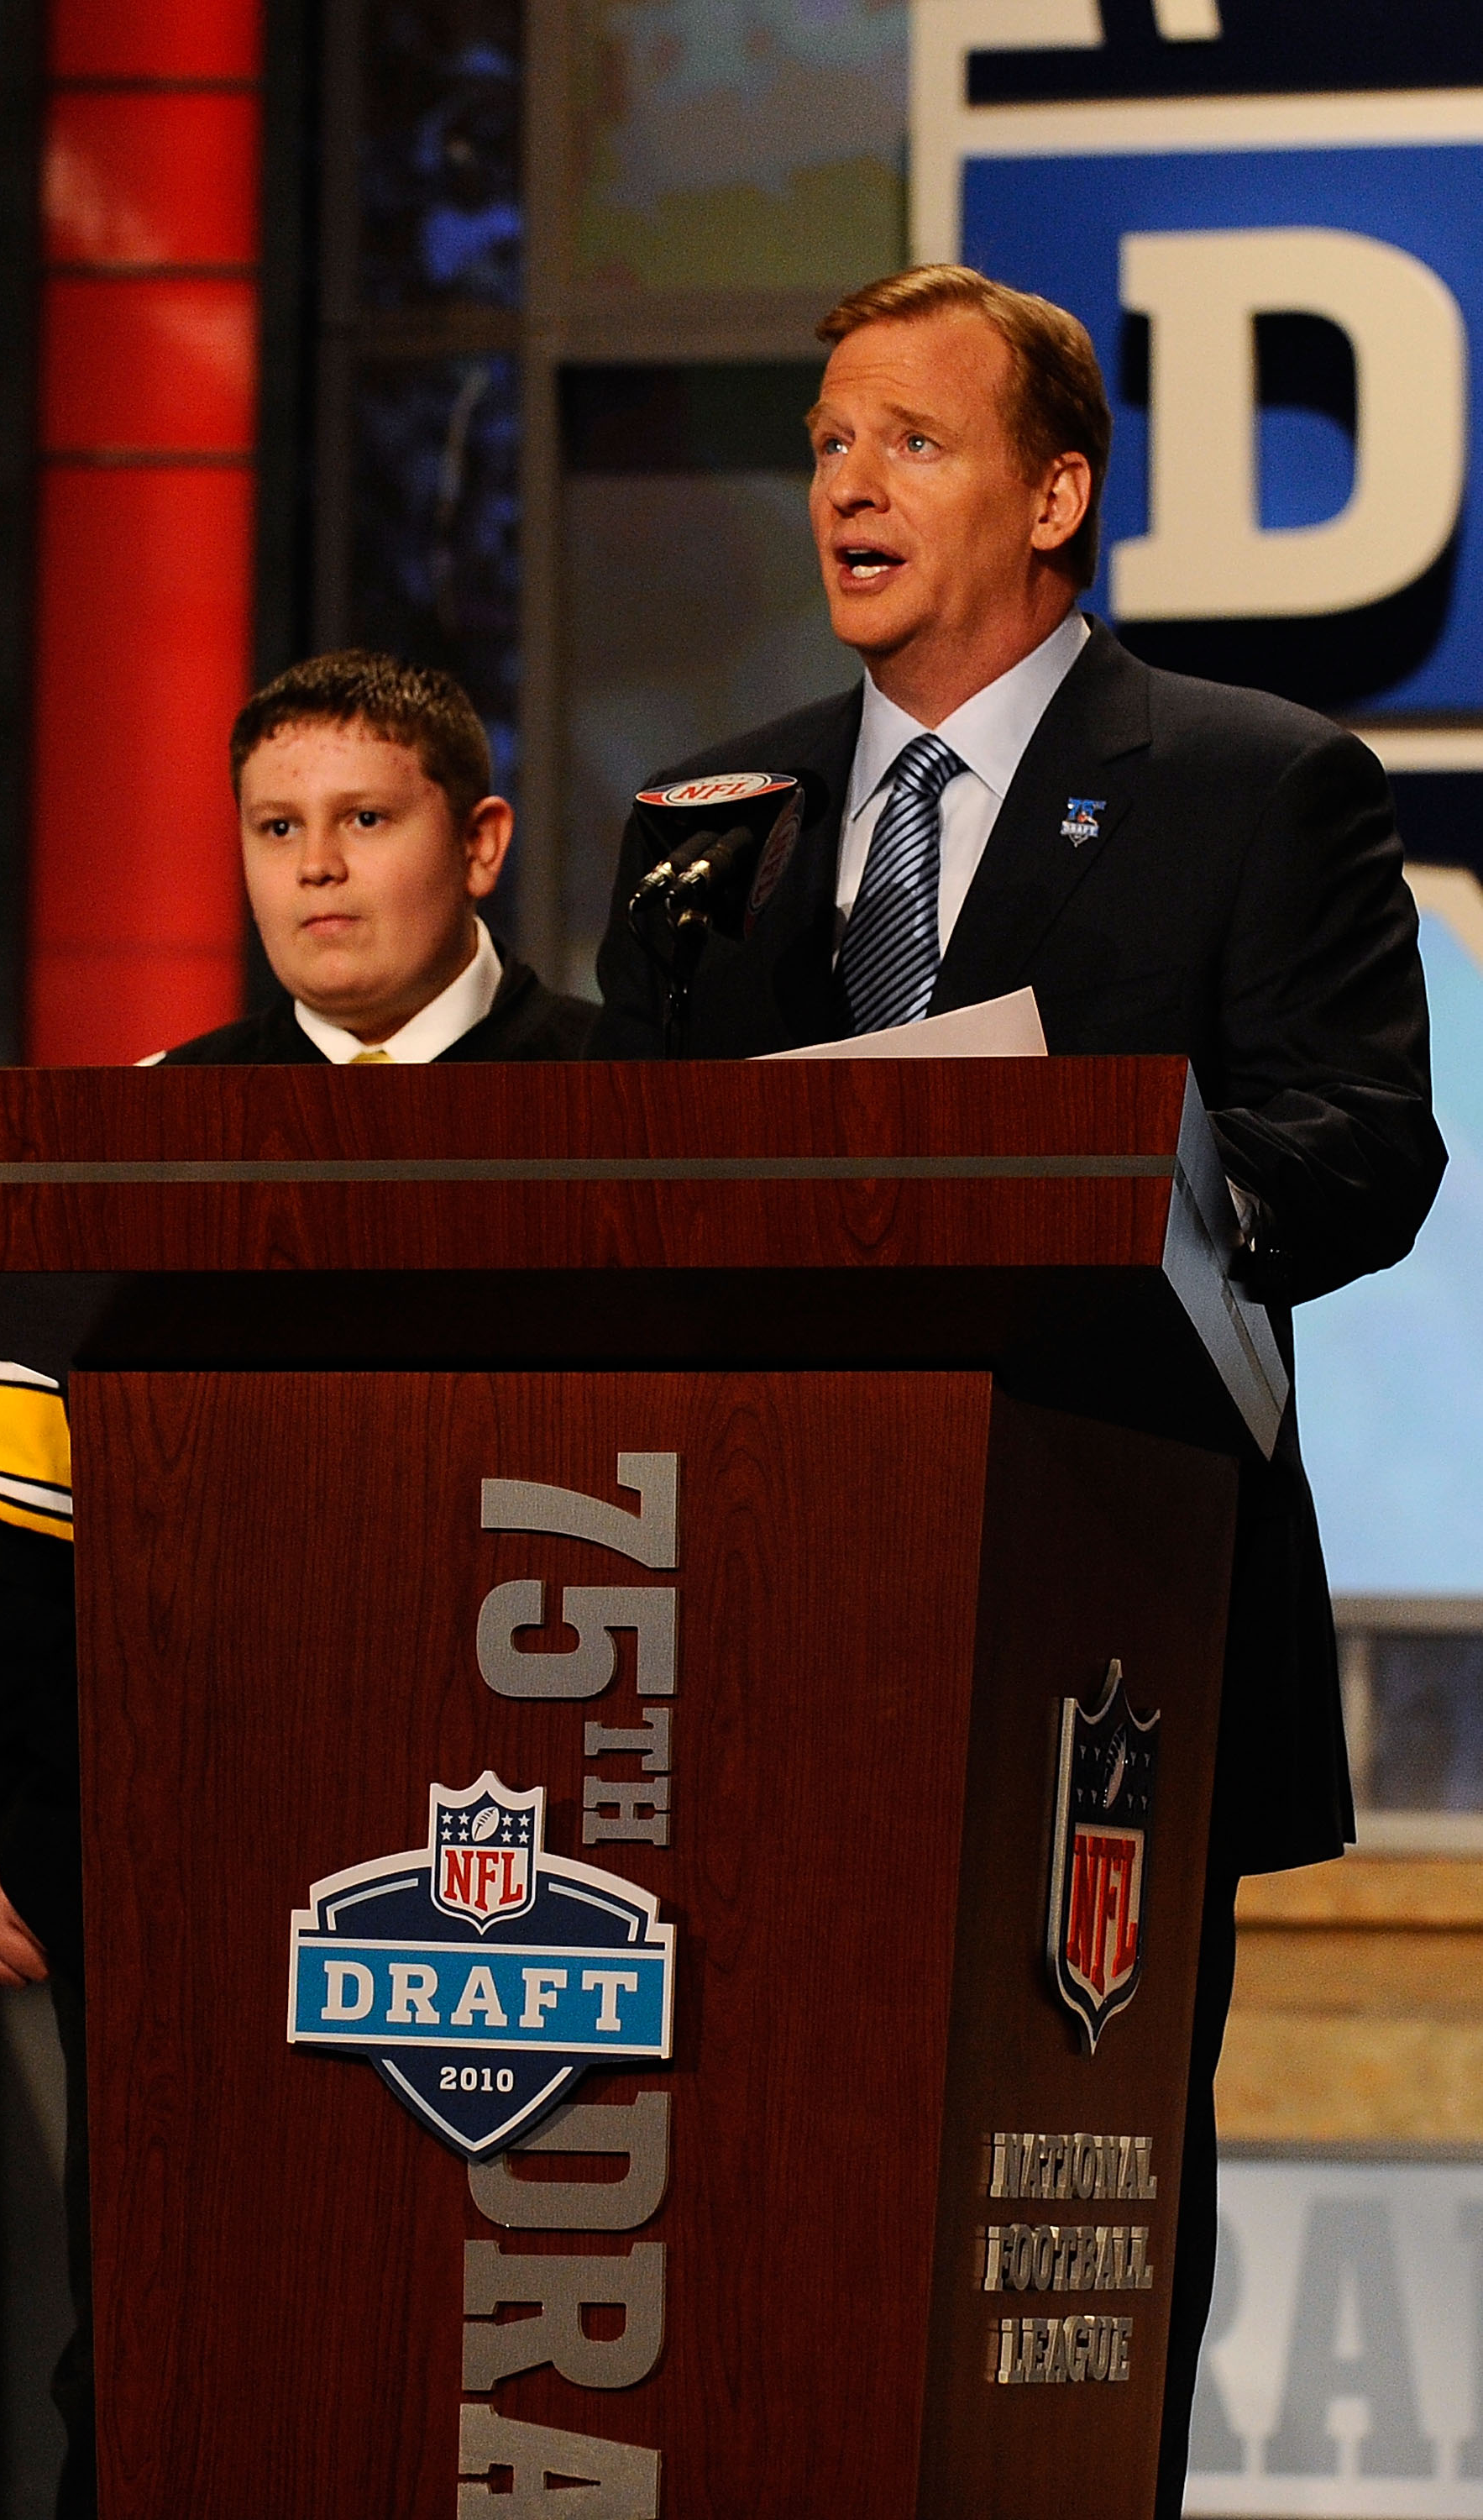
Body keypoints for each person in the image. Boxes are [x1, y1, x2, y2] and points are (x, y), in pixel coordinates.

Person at [590, 264, 1447, 2512]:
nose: (848, 485)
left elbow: (1351, 1155)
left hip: (1104, 1634)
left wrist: (1072, 1197)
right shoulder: (715, 823)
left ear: (1055, 491)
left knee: (1046, 2277)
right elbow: (621, 1208)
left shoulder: (1258, 787)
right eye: (824, 445)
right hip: (741, 1642)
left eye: (913, 440)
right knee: (758, 2241)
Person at [0, 651, 592, 2517]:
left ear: (478, 841)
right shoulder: (145, 1116)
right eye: (276, 831)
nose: (317, 870)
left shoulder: (634, 1106)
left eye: (364, 823)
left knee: (495, 2351)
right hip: (183, 1848)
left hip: (564, 1845)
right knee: (162, 2349)